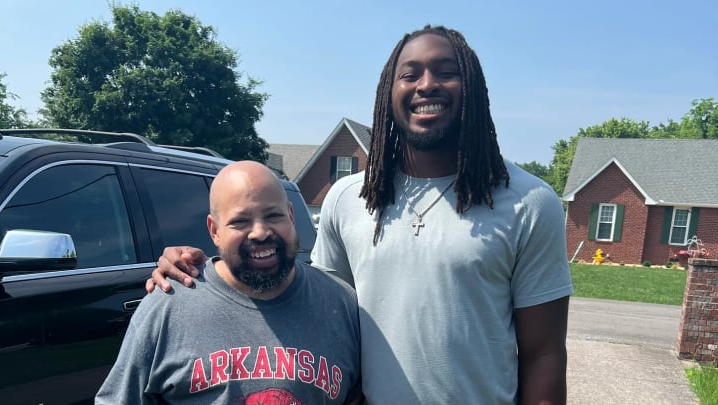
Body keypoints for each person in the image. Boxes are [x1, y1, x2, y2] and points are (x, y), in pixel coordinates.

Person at [148, 25, 574, 404]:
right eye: (410, 75)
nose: (426, 85)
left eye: (446, 71)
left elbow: (544, 353)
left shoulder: (528, 202)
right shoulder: (349, 197)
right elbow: (312, 306)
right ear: (389, 93)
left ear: (474, 88)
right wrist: (197, 268)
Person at [98, 161, 362, 404]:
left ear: (291, 216)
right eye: (240, 221)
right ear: (215, 231)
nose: (260, 232)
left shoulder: (341, 303)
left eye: (273, 216)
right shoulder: (167, 308)